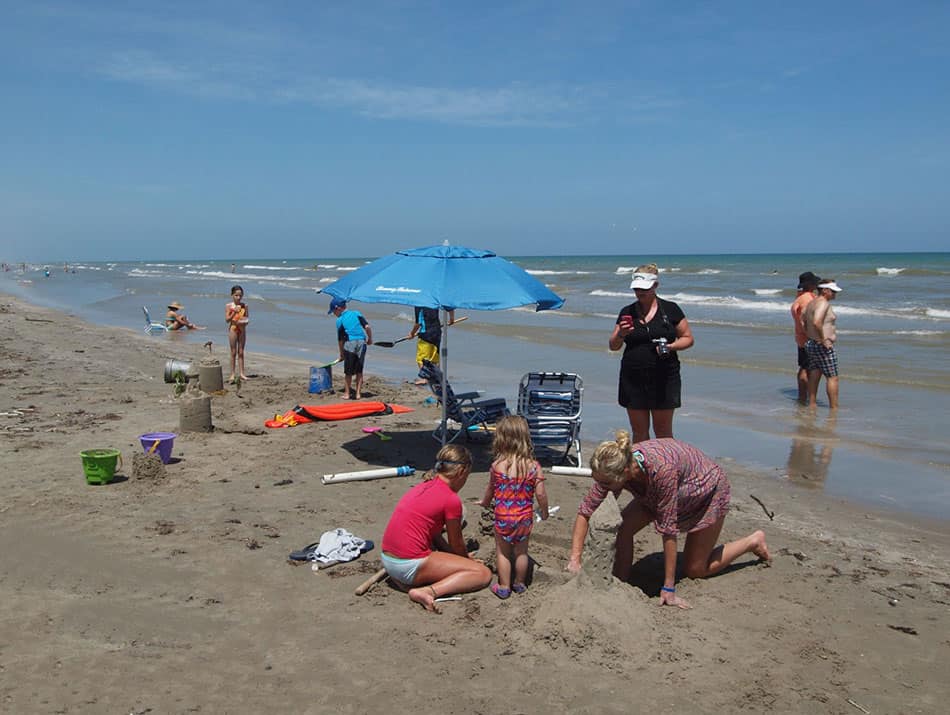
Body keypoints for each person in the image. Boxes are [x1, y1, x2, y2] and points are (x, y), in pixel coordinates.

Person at [566, 433, 770, 608]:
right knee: (624, 527)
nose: (601, 487)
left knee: (696, 569)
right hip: (657, 492)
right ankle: (621, 582)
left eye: (605, 483)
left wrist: (668, 587)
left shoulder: (662, 472)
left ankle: (752, 541)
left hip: (706, 491)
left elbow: (668, 532)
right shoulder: (615, 464)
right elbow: (586, 511)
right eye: (598, 481)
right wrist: (575, 559)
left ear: (625, 473)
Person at [380, 444, 492, 613]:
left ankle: (412, 581)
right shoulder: (450, 499)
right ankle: (427, 591)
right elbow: (456, 542)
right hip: (408, 565)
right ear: (461, 472)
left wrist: (457, 558)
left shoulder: (424, 486)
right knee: (482, 574)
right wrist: (466, 561)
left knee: (458, 560)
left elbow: (435, 535)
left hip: (389, 560)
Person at [610, 263, 694, 443]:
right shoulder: (627, 312)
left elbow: (688, 338)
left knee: (663, 433)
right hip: (633, 377)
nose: (640, 292)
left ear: (655, 286)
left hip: (664, 377)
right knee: (639, 433)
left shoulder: (671, 309)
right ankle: (642, 471)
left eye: (644, 289)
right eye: (637, 289)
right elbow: (613, 345)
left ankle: (666, 470)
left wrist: (671, 347)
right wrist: (622, 334)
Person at [477, 415, 549, 599]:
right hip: (524, 517)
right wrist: (545, 511)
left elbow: (490, 490)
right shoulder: (534, 466)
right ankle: (519, 583)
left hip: (503, 516)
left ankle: (503, 586)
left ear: (501, 439)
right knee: (521, 552)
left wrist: (485, 503)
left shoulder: (497, 466)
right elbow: (540, 494)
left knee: (502, 552)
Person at [803, 279, 843, 409]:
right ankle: (834, 408)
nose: (835, 294)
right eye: (833, 291)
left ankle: (812, 404)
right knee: (832, 377)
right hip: (821, 345)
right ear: (825, 290)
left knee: (815, 373)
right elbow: (816, 322)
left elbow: (803, 320)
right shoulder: (823, 304)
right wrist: (823, 339)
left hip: (811, 343)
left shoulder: (811, 303)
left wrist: (811, 336)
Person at [328, 298, 373, 399]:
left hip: (350, 344)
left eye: (333, 311)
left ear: (338, 308)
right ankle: (358, 394)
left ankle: (347, 393)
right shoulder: (357, 313)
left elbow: (340, 340)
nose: (334, 314)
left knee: (348, 372)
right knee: (359, 370)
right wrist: (370, 339)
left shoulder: (339, 320)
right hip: (362, 342)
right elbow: (367, 327)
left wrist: (341, 355)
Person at [790, 271, 820, 404]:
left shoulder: (799, 298)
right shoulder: (808, 298)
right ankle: (805, 397)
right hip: (808, 338)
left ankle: (803, 397)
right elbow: (805, 318)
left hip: (800, 337)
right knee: (808, 368)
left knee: (804, 366)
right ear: (810, 284)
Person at [407, 306, 455, 384]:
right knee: (434, 357)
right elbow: (449, 306)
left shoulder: (419, 305)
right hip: (437, 332)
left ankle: (425, 378)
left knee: (421, 358)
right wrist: (452, 318)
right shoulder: (434, 301)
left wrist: (412, 333)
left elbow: (418, 323)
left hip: (426, 334)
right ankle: (437, 377)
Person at [225, 285, 249, 383]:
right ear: (232, 295)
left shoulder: (245, 306)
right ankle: (232, 374)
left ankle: (242, 373)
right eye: (236, 295)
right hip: (233, 328)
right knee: (233, 352)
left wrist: (244, 322)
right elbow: (227, 320)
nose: (238, 298)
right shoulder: (228, 306)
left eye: (240, 295)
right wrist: (234, 312)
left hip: (242, 329)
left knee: (241, 352)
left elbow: (247, 318)